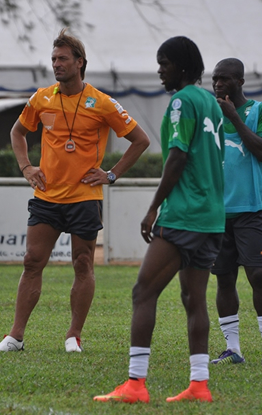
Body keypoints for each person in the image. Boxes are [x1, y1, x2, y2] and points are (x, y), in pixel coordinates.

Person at [0, 28, 150, 353]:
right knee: (33, 261)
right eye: (53, 59)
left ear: (80, 62)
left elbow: (140, 140)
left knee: (82, 264)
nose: (56, 64)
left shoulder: (102, 102)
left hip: (85, 198)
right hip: (47, 196)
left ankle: (73, 336)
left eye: (62, 58)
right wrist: (26, 167)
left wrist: (112, 175)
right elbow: (17, 132)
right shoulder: (41, 97)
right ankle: (15, 337)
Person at [94, 36, 224, 404]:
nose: (159, 70)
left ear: (181, 67)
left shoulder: (182, 101)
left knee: (143, 291)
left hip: (185, 215)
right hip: (212, 217)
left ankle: (135, 384)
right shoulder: (211, 103)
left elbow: (178, 157)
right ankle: (199, 386)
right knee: (193, 298)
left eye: (164, 63)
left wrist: (153, 208)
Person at [208, 58, 262, 367]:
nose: (217, 84)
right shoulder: (209, 116)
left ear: (240, 82)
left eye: (224, 79)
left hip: (250, 212)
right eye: (215, 79)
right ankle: (233, 349)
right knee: (224, 279)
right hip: (217, 214)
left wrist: (235, 118)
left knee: (258, 275)